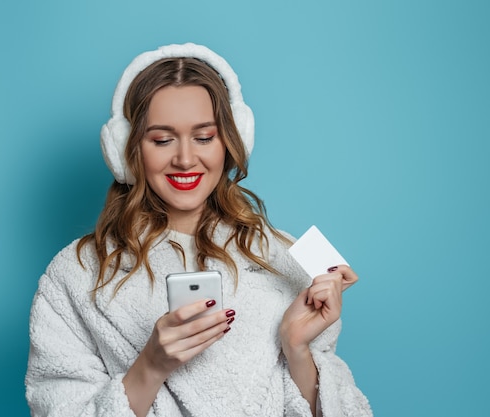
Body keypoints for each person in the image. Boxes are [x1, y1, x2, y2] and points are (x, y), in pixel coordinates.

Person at [25, 43, 372, 417]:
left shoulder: (285, 257)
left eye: (204, 137)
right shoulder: (75, 275)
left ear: (231, 140)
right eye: (161, 139)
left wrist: (296, 347)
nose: (186, 159)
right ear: (126, 150)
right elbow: (57, 408)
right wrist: (151, 366)